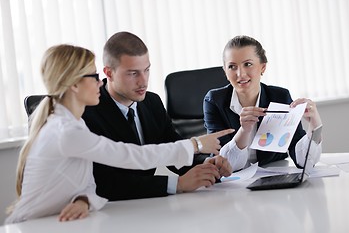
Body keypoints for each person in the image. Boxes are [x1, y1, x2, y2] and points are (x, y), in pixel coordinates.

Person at [5, 44, 233, 224]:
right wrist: (195, 144)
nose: (99, 83)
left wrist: (83, 199)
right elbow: (129, 156)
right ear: (74, 84)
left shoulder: (71, 124)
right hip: (35, 226)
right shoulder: (66, 131)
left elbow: (86, 182)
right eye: (93, 77)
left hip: (65, 222)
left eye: (146, 70)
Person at [82, 31, 233, 201]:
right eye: (133, 73)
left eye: (146, 70)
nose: (143, 81)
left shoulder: (151, 102)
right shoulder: (88, 112)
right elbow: (106, 183)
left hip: (153, 206)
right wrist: (177, 184)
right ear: (109, 73)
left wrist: (207, 167)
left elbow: (172, 148)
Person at [203, 35, 323, 172]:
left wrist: (315, 125)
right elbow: (222, 164)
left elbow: (303, 161)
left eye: (247, 64)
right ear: (225, 71)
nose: (240, 74)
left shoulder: (280, 97)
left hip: (272, 175)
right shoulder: (214, 101)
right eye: (232, 66)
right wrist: (244, 131)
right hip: (233, 183)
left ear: (263, 67)